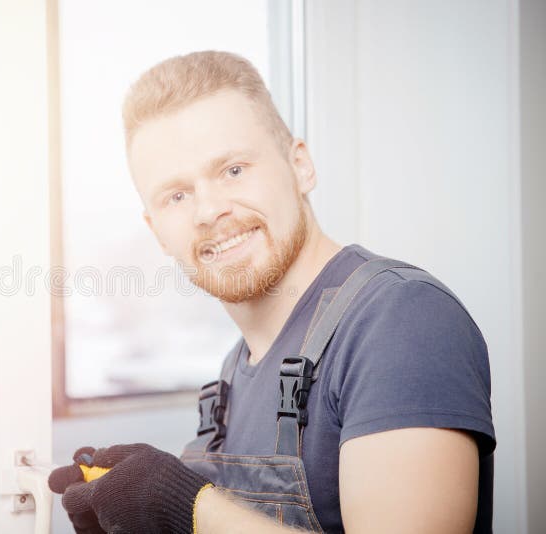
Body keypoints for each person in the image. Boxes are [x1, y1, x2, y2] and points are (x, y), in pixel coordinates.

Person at [49, 51, 495, 534]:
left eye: (233, 170)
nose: (208, 210)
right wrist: (142, 508)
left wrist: (184, 506)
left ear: (300, 166)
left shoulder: (401, 321)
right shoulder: (234, 371)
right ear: (157, 231)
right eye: (176, 195)